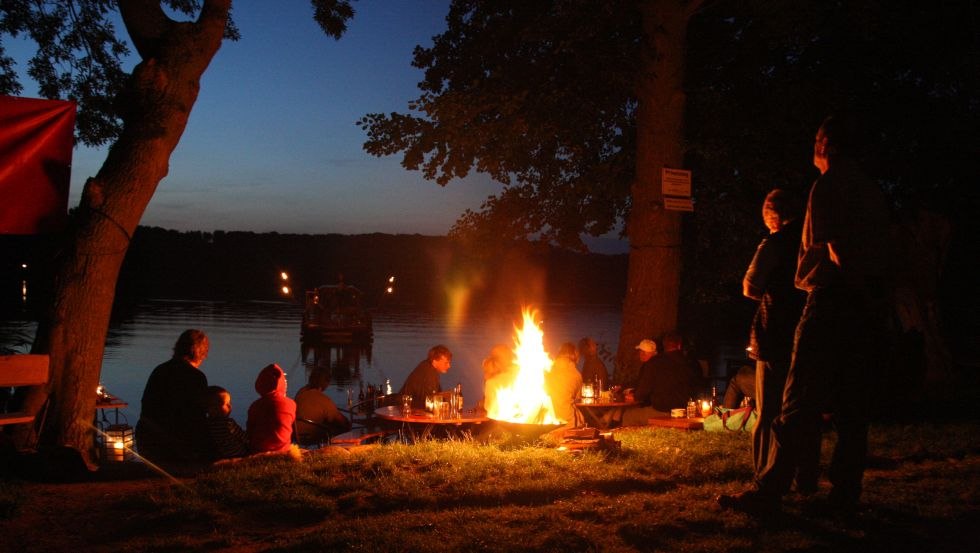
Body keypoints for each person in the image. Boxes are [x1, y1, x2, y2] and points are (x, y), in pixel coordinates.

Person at [720, 115, 893, 515]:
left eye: (817, 139)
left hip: (832, 299)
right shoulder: (871, 189)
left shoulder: (830, 186)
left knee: (796, 402)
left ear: (828, 144)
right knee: (851, 407)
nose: (813, 146)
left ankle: (770, 489)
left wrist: (848, 287)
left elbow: (838, 251)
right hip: (866, 304)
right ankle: (844, 494)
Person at [740, 188, 811, 487]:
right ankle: (803, 476)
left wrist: (775, 295)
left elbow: (750, 286)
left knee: (768, 410)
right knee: (800, 407)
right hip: (807, 330)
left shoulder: (773, 244)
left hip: (775, 334)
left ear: (771, 216)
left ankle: (764, 477)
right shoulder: (809, 244)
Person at [136, 329, 211, 463]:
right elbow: (198, 416)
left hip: (146, 441)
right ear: (203, 353)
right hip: (175, 447)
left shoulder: (159, 370)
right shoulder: (196, 377)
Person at [621, 333, 702, 426]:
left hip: (662, 411)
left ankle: (629, 440)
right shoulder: (691, 363)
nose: (641, 355)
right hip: (686, 410)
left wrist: (635, 396)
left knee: (629, 415)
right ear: (679, 345)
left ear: (664, 346)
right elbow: (698, 387)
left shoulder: (654, 363)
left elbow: (643, 391)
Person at [246, 363, 297, 454]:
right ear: (282, 384)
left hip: (258, 450)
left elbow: (250, 431)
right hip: (282, 450)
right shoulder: (291, 404)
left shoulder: (255, 406)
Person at [294, 366, 351, 445]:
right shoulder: (323, 399)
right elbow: (340, 420)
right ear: (326, 383)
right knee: (342, 426)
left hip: (295, 434)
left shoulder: (301, 392)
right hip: (311, 436)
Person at [400, 345, 452, 410]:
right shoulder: (429, 373)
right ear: (435, 361)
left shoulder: (428, 367)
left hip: (410, 408)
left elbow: (435, 395)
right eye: (446, 363)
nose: (449, 366)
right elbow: (428, 400)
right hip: (407, 410)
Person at [204, 386, 249, 460]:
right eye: (226, 403)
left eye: (229, 403)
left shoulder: (207, 424)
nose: (230, 406)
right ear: (213, 408)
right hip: (238, 453)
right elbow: (243, 437)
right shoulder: (228, 423)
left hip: (220, 454)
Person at [544, 342, 582, 427]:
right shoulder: (576, 374)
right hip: (567, 420)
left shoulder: (547, 368)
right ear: (575, 355)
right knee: (581, 418)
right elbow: (577, 399)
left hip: (546, 418)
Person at [480, 344, 517, 416]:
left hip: (498, 419)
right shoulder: (518, 374)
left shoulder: (491, 383)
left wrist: (482, 405)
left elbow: (488, 407)